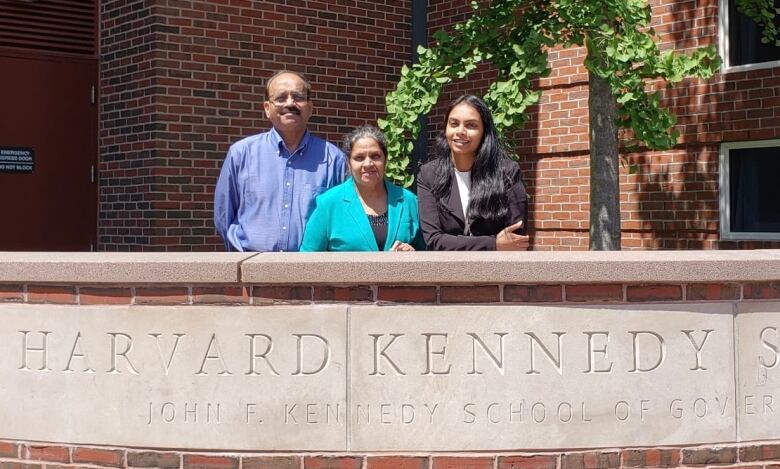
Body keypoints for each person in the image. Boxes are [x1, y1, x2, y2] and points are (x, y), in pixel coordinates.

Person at [213, 70, 346, 252]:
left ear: (310, 108)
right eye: (281, 98)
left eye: (298, 97)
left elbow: (340, 219)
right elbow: (223, 216)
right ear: (267, 108)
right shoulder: (241, 154)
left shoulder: (333, 159)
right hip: (253, 270)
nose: (290, 103)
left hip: (310, 272)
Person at [417, 94, 529, 250]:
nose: (460, 131)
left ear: (484, 132)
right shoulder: (429, 174)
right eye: (454, 124)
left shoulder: (507, 172)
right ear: (446, 128)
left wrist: (456, 242)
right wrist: (493, 244)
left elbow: (516, 239)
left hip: (496, 271)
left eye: (471, 125)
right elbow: (434, 240)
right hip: (447, 271)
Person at [300, 126, 424, 252]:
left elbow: (427, 251)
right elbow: (307, 258)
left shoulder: (408, 201)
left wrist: (413, 253)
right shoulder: (328, 204)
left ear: (385, 160)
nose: (368, 164)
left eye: (375, 156)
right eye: (359, 157)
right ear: (349, 163)